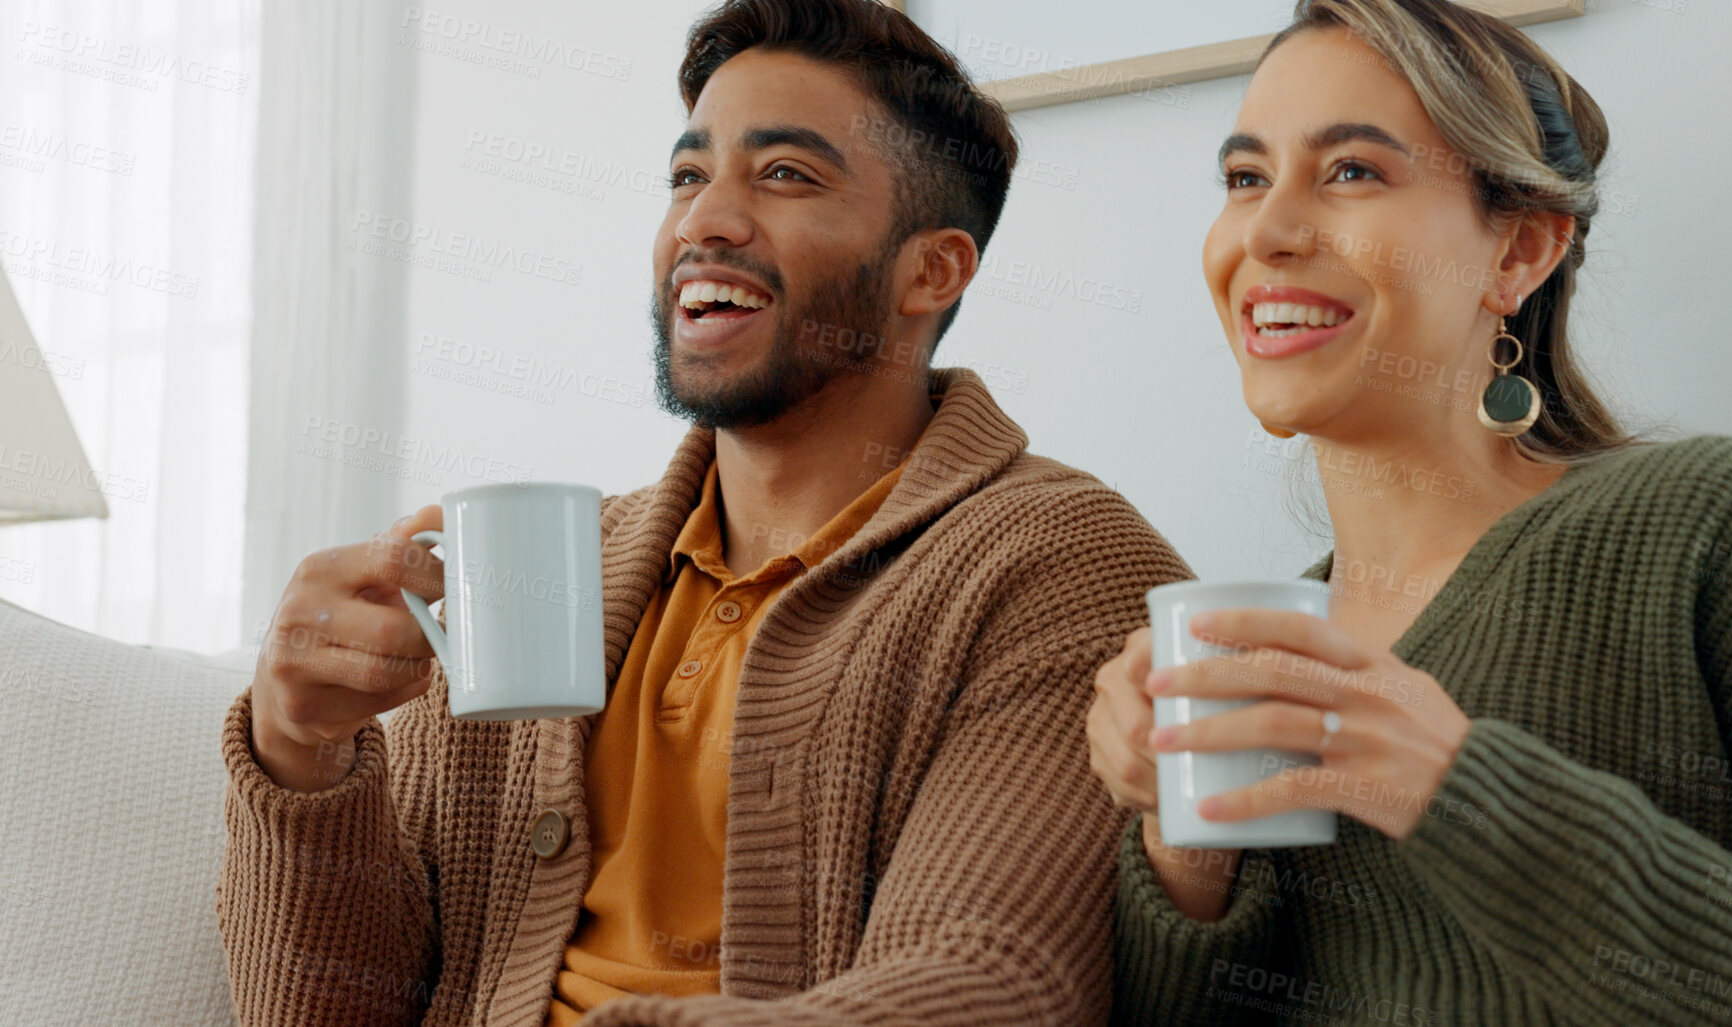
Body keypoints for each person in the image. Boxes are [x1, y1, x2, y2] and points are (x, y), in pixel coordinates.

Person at [219, 1, 1190, 1024]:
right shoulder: (550, 567)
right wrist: (300, 756)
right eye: (688, 177)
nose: (703, 221)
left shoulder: (1062, 565)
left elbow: (993, 983)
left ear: (931, 270)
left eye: (784, 175)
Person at [1086, 0, 1732, 1023]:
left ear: (1521, 254)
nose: (1264, 233)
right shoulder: (1264, 656)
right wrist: (1184, 849)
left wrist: (1461, 794)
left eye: (1352, 170)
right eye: (1244, 178)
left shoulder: (1719, 521)